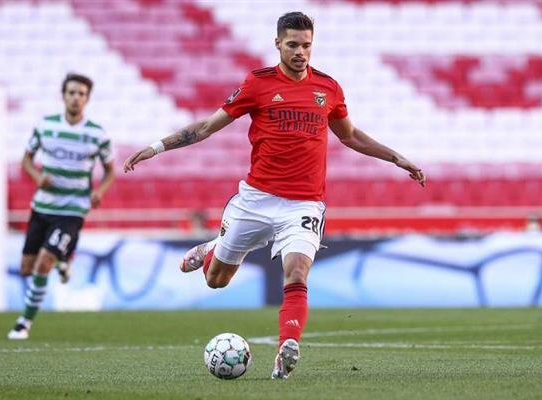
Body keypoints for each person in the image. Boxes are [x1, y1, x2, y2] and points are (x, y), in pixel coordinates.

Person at [123, 12, 426, 379]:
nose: (300, 52)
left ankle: (288, 346)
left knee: (297, 272)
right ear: (278, 43)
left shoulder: (328, 88)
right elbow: (206, 127)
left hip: (304, 204)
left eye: (306, 45)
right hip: (256, 200)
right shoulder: (258, 84)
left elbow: (349, 135)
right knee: (216, 280)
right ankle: (213, 248)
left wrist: (395, 157)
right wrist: (156, 147)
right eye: (293, 45)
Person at [8, 73, 115, 340]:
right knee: (26, 267)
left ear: (87, 99)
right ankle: (64, 261)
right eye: (72, 93)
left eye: (81, 94)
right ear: (63, 96)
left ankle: (24, 322)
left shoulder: (97, 134)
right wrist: (37, 177)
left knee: (43, 262)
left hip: (72, 209)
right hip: (43, 206)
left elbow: (110, 170)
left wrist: (99, 191)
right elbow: (26, 159)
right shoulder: (45, 126)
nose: (76, 98)